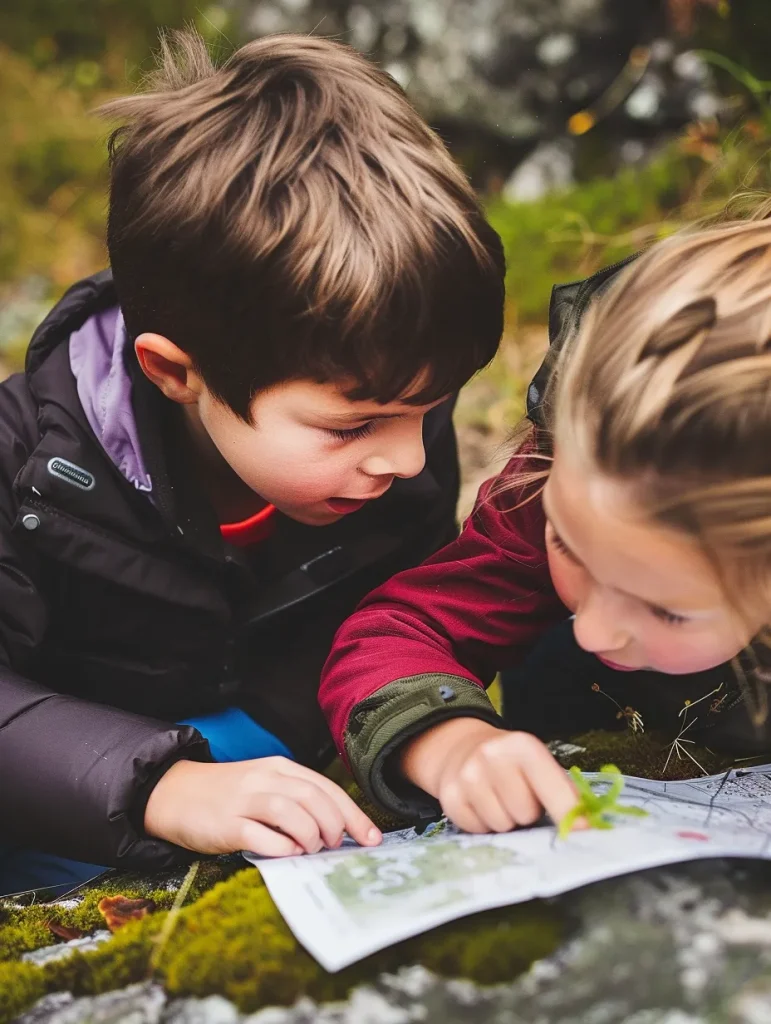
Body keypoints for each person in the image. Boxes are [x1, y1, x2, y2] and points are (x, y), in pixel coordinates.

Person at [0, 30, 506, 894]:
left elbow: (390, 615)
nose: (405, 457)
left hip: (271, 774)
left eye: (432, 405)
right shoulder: (26, 465)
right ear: (174, 373)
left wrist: (416, 728)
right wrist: (158, 786)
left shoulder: (391, 410)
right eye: (353, 426)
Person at [320, 215, 771, 835]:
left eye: (667, 610)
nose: (594, 629)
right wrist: (449, 742)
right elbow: (399, 630)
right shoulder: (563, 479)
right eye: (569, 544)